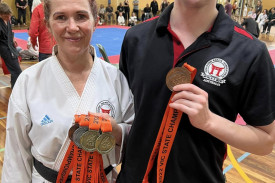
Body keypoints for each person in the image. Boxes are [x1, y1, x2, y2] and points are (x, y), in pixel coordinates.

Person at [117, 0, 275, 182]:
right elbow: (127, 114)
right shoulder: (135, 38)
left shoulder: (250, 52)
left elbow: (265, 141)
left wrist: (209, 121)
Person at [1, 0, 134, 182]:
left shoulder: (115, 78)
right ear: (48, 24)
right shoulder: (29, 81)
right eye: (61, 17)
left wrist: (117, 131)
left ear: (95, 21)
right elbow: (15, 159)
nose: (72, 27)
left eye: (81, 16)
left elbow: (136, 136)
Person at [0, 3, 22, 88]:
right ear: (0, 15)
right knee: (17, 71)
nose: (9, 18)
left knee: (15, 70)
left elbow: (10, 31)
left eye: (9, 15)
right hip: (5, 50)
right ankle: (16, 89)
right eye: (6, 16)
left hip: (11, 47)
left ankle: (14, 87)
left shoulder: (8, 19)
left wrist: (13, 38)